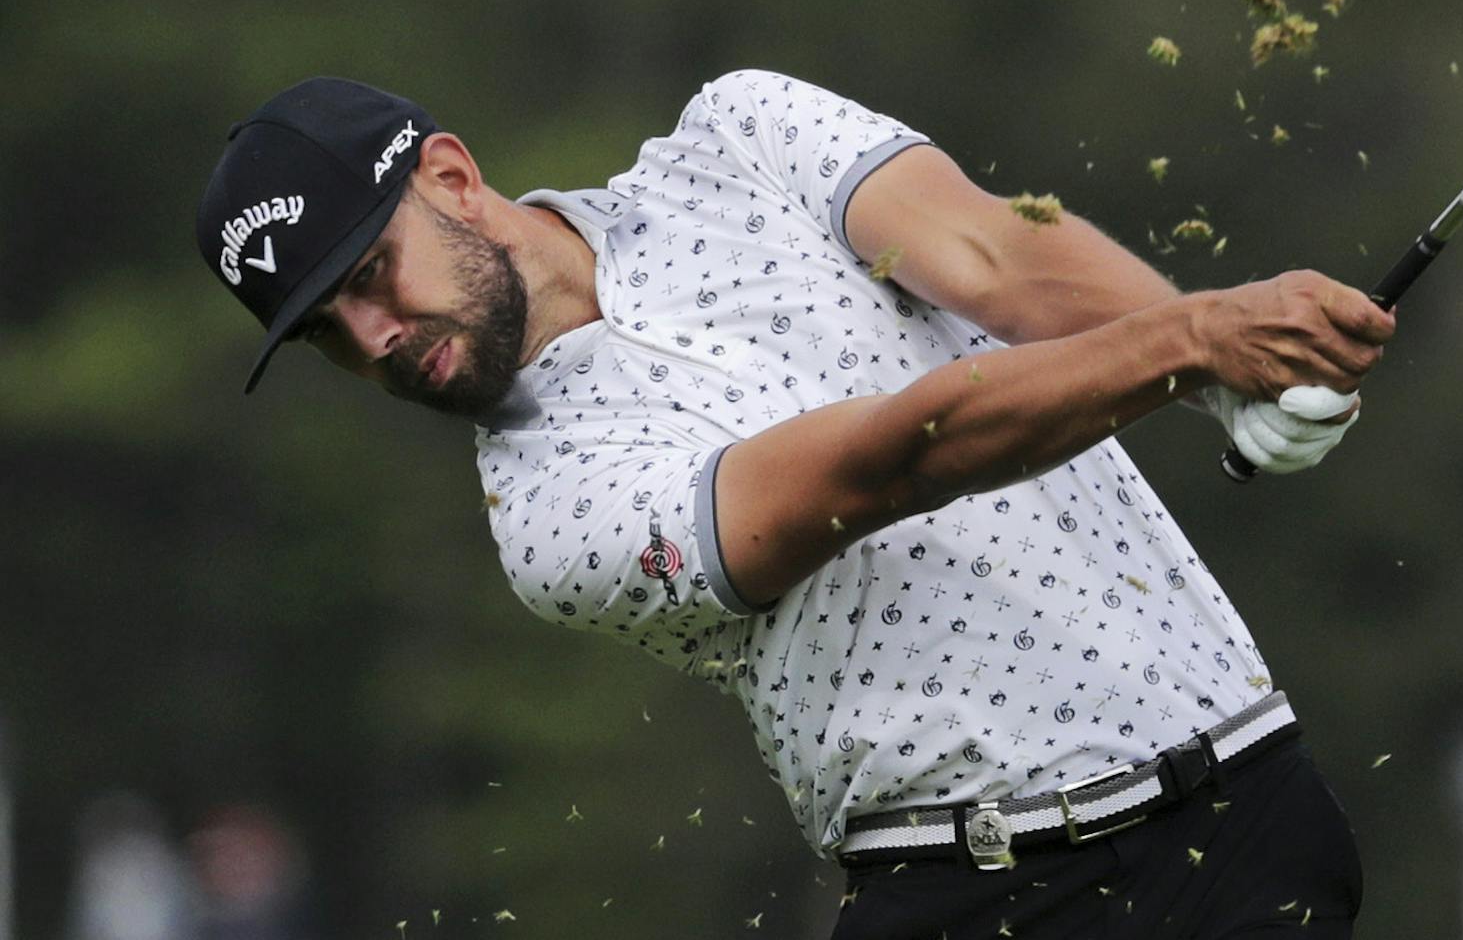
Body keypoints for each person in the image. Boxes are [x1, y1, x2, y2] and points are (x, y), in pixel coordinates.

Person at [196, 71, 1393, 938]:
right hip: (994, 898)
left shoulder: (742, 131)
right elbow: (888, 463)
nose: (377, 340)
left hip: (1253, 812)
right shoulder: (548, 514)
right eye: (327, 337)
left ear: (450, 178)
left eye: (369, 277)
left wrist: (1217, 380)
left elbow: (995, 261)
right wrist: (1191, 343)